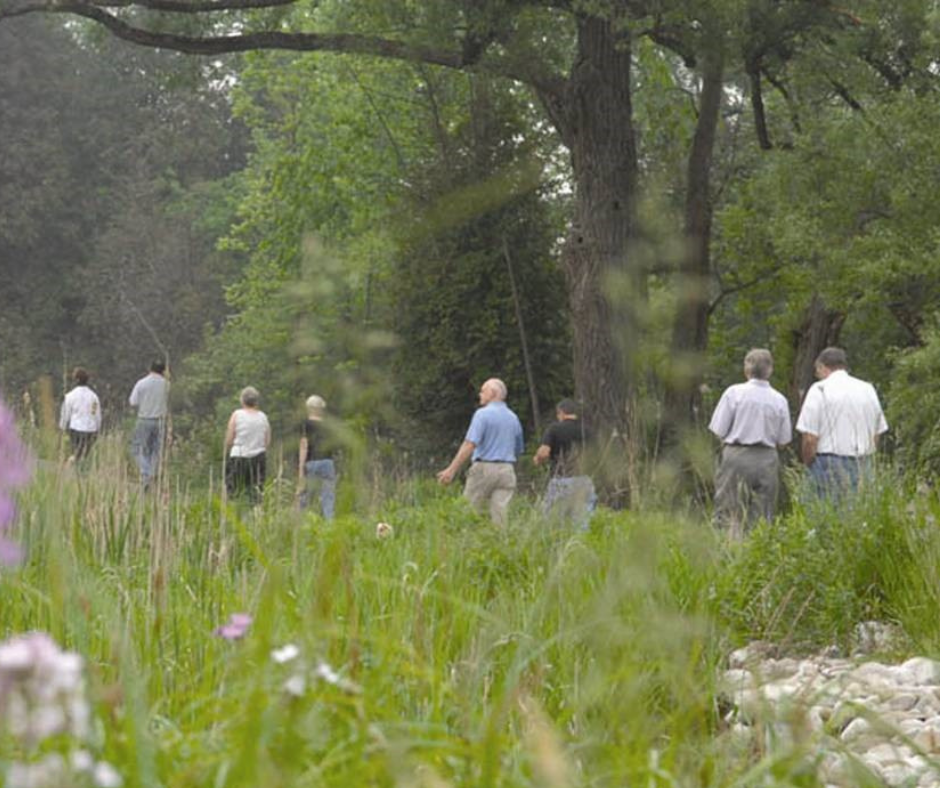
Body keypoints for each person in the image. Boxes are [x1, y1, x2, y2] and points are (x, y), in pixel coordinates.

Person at [708, 348, 792, 538]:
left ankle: (728, 550)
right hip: (767, 459)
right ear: (770, 370)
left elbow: (718, 430)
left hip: (736, 455)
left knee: (729, 509)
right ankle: (757, 553)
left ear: (746, 369)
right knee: (763, 511)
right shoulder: (779, 400)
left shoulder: (734, 393)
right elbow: (784, 440)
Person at [796, 346, 888, 499]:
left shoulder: (819, 389)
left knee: (824, 515)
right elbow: (876, 433)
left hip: (828, 463)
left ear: (822, 367)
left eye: (817, 371)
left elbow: (810, 438)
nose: (818, 375)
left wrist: (808, 462)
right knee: (858, 514)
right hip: (863, 462)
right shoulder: (867, 389)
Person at [437, 378, 524, 526]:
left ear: (493, 393)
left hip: (484, 467)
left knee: (469, 511)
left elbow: (470, 444)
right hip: (507, 470)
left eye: (483, 391)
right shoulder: (513, 417)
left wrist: (451, 470)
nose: (480, 394)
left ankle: (465, 544)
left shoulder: (482, 415)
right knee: (500, 517)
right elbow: (518, 449)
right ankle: (500, 544)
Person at [534, 398, 596, 529]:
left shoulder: (554, 429)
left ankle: (557, 547)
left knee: (551, 521)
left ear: (561, 412)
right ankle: (580, 547)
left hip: (561, 480)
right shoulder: (588, 431)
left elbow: (544, 452)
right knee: (582, 524)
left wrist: (538, 459)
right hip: (583, 480)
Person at [225, 386, 270, 503]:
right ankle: (255, 516)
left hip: (238, 457)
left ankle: (234, 515)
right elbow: (267, 441)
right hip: (258, 458)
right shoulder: (263, 417)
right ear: (256, 401)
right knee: (256, 491)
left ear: (242, 400)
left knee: (234, 491)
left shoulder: (237, 414)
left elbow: (229, 439)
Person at [129, 360, 170, 488]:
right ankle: (151, 474)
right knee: (156, 450)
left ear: (150, 368)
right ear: (163, 370)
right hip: (160, 421)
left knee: (138, 449)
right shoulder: (167, 385)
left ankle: (145, 473)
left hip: (144, 419)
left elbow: (133, 401)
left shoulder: (141, 383)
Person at [298, 394, 337, 519]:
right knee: (328, 497)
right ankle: (329, 525)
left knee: (305, 495)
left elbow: (304, 446)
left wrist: (301, 468)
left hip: (312, 462)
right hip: (328, 462)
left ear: (309, 408)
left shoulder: (305, 425)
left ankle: (302, 523)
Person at [59, 367, 102, 464]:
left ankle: (70, 466)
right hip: (90, 430)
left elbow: (65, 414)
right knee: (84, 455)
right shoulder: (94, 397)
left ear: (76, 380)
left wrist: (62, 427)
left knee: (76, 453)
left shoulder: (70, 396)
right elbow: (97, 415)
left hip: (76, 429)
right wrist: (98, 428)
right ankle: (79, 471)